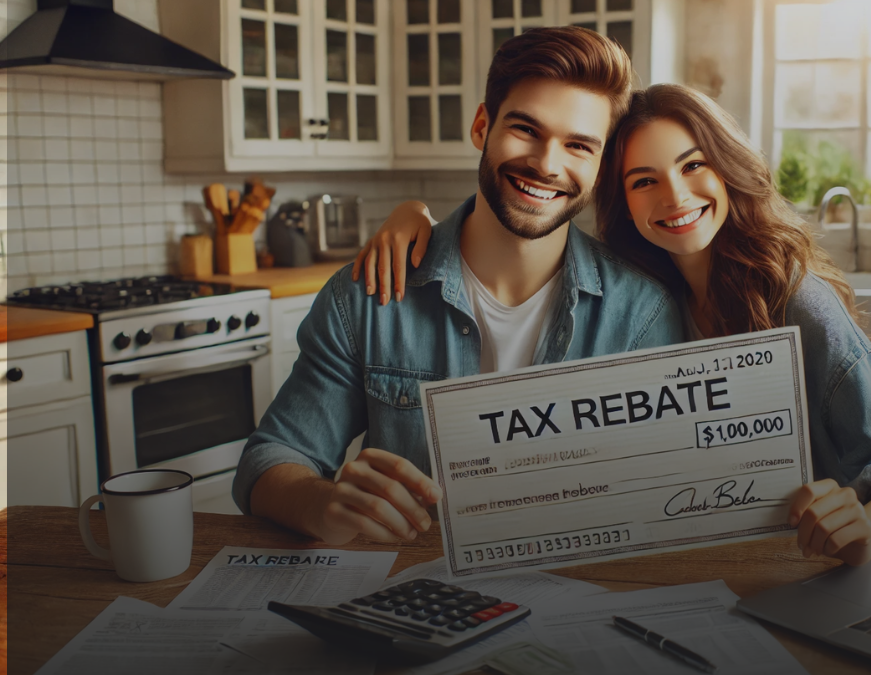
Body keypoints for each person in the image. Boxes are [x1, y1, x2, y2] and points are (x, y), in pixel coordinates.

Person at [354, 84, 871, 566]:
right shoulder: (636, 297)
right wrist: (416, 216)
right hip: (677, 566)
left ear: (730, 171)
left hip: (791, 569)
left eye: (694, 166)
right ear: (620, 200)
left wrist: (864, 532)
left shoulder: (797, 302)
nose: (674, 196)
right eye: (644, 181)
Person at [233, 27, 684, 545]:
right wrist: (320, 502)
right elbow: (269, 459)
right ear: (481, 125)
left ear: (601, 167)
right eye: (526, 129)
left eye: (578, 146)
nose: (546, 163)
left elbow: (666, 486)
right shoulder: (369, 296)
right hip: (409, 598)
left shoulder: (643, 312)